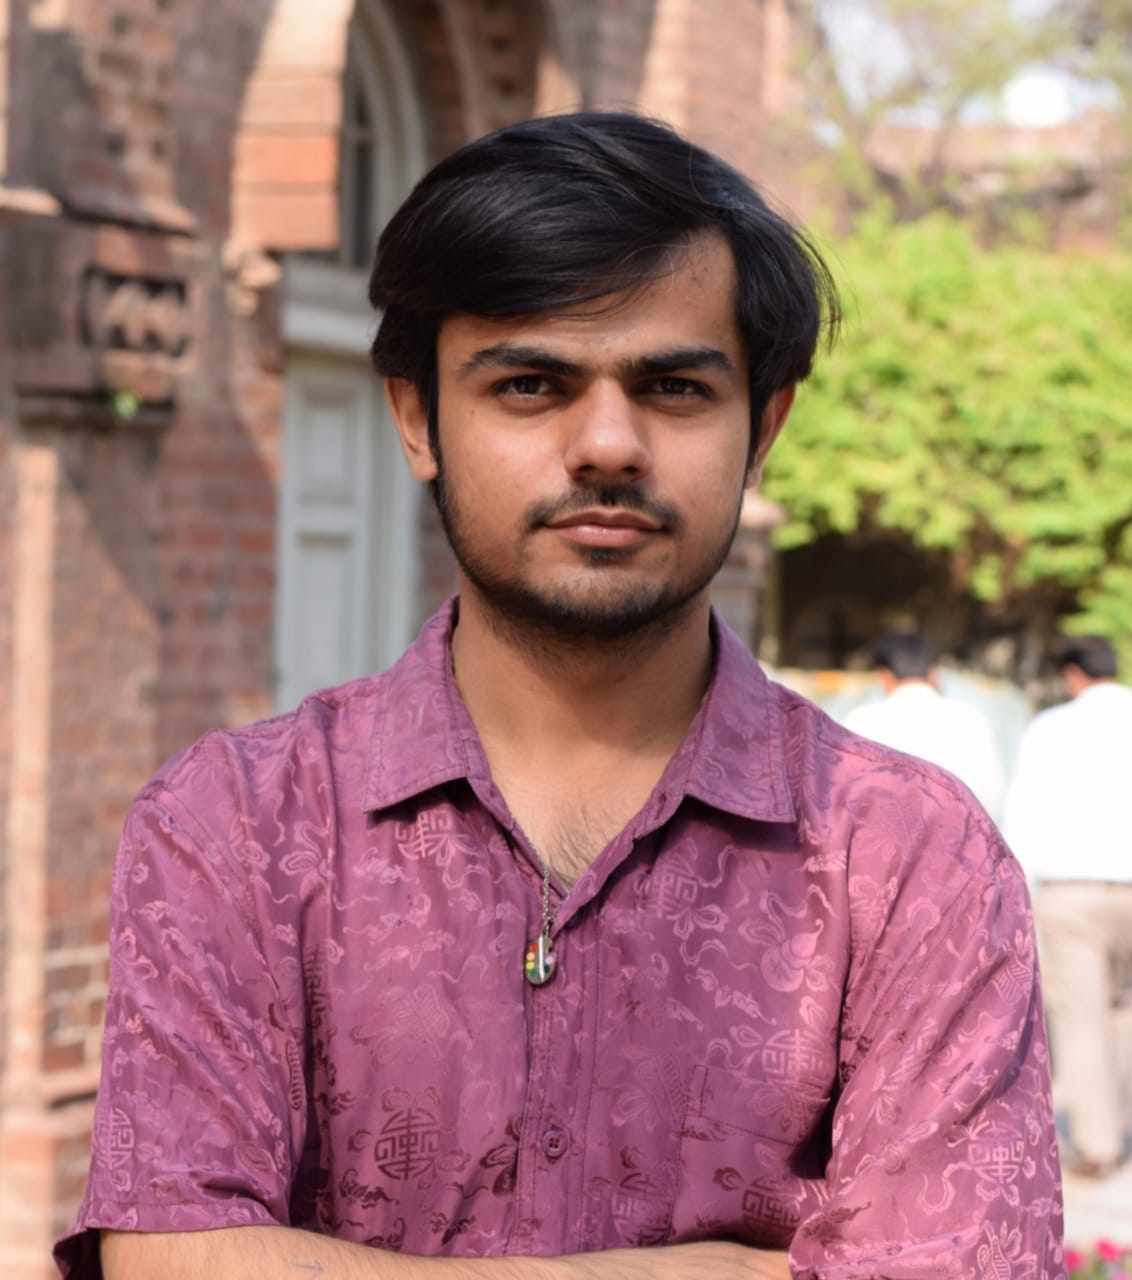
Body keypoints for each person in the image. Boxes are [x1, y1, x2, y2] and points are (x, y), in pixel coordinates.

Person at [56, 112, 1063, 1280]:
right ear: (416, 416)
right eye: (530, 383)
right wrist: (706, 1271)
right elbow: (170, 1259)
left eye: (674, 387)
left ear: (763, 426)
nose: (607, 445)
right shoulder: (238, 821)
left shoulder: (907, 856)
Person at [1004, 635, 1132, 1180]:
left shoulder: (1050, 728)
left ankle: (1100, 1145)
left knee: (1082, 1016)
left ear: (1072, 673)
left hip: (1071, 892)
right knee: (1124, 1010)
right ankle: (1121, 1123)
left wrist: (1017, 896)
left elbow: (1022, 814)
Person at [844, 633, 1006, 820]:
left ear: (883, 676)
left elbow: (847, 798)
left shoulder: (861, 721)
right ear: (935, 673)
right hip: (958, 833)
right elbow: (991, 797)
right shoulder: (970, 719)